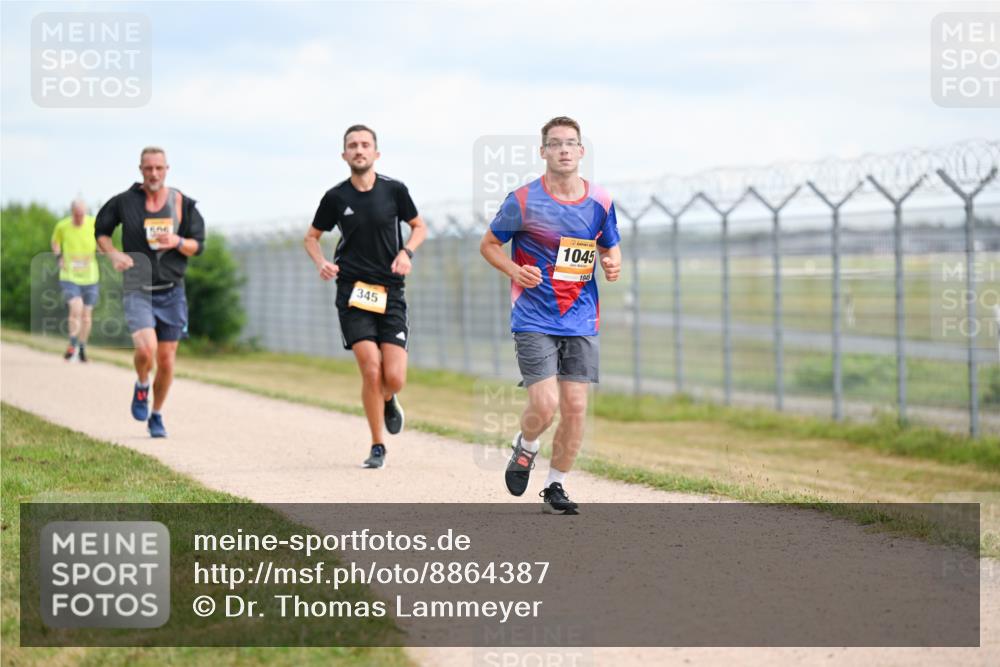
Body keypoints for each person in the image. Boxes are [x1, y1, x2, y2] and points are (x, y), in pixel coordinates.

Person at [480, 116, 621, 514]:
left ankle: (555, 487)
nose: (563, 149)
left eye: (570, 143)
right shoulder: (523, 200)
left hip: (581, 316)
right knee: (544, 405)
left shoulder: (601, 201)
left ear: (581, 151)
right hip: (534, 316)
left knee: (575, 407)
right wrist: (513, 269)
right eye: (555, 143)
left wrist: (612, 263)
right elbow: (489, 244)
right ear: (542, 152)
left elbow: (610, 245)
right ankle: (525, 446)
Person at [304, 124, 426, 469]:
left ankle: (389, 399)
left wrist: (407, 254)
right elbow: (311, 237)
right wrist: (322, 263)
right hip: (353, 293)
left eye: (365, 145)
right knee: (371, 370)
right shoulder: (336, 197)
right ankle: (377, 446)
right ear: (344, 155)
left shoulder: (395, 190)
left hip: (391, 291)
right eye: (352, 146)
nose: (359, 150)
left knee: (394, 377)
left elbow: (420, 226)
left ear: (376, 153)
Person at [95, 146, 206, 438]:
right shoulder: (124, 202)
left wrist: (177, 241)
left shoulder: (182, 203)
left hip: (172, 291)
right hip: (138, 288)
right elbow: (101, 232)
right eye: (148, 168)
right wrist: (114, 255)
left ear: (167, 169)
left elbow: (198, 245)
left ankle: (156, 414)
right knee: (146, 348)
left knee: (167, 360)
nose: (153, 173)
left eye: (159, 168)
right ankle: (142, 383)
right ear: (140, 169)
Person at [51, 199, 99, 362]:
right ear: (72, 213)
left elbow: (103, 238)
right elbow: (55, 242)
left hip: (90, 276)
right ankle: (72, 344)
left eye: (82, 214)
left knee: (86, 315)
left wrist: (103, 247)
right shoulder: (62, 226)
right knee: (76, 307)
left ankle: (82, 347)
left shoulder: (93, 223)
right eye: (77, 215)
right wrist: (59, 257)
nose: (80, 218)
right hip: (69, 275)